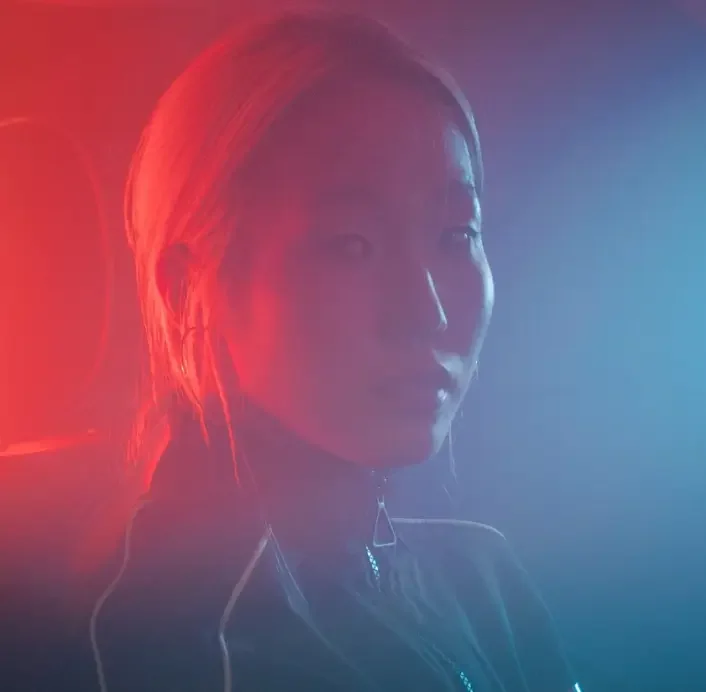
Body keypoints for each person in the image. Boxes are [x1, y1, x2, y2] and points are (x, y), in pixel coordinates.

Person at [83, 10, 581, 692]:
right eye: (351, 244)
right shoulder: (190, 636)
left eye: (455, 235)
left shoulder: (480, 575)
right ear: (190, 288)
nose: (427, 311)